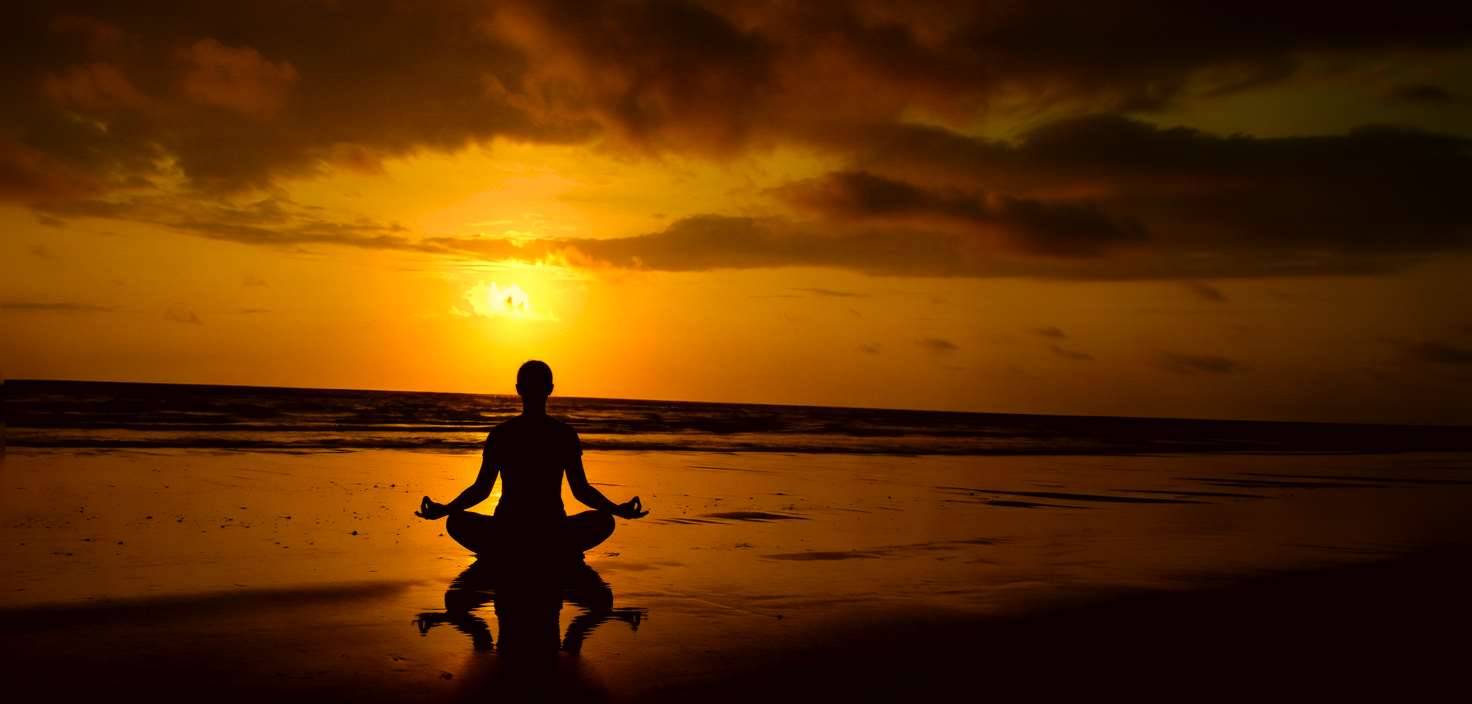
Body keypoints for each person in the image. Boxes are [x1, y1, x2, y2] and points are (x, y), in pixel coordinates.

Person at [415, 360, 648, 560]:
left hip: (508, 531)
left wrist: (445, 509)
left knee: (455, 521)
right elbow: (581, 490)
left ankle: (508, 551)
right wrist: (617, 510)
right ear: (550, 389)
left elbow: (481, 490)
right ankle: (553, 551)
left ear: (519, 389)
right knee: (605, 520)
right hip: (552, 531)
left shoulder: (501, 433)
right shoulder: (564, 433)